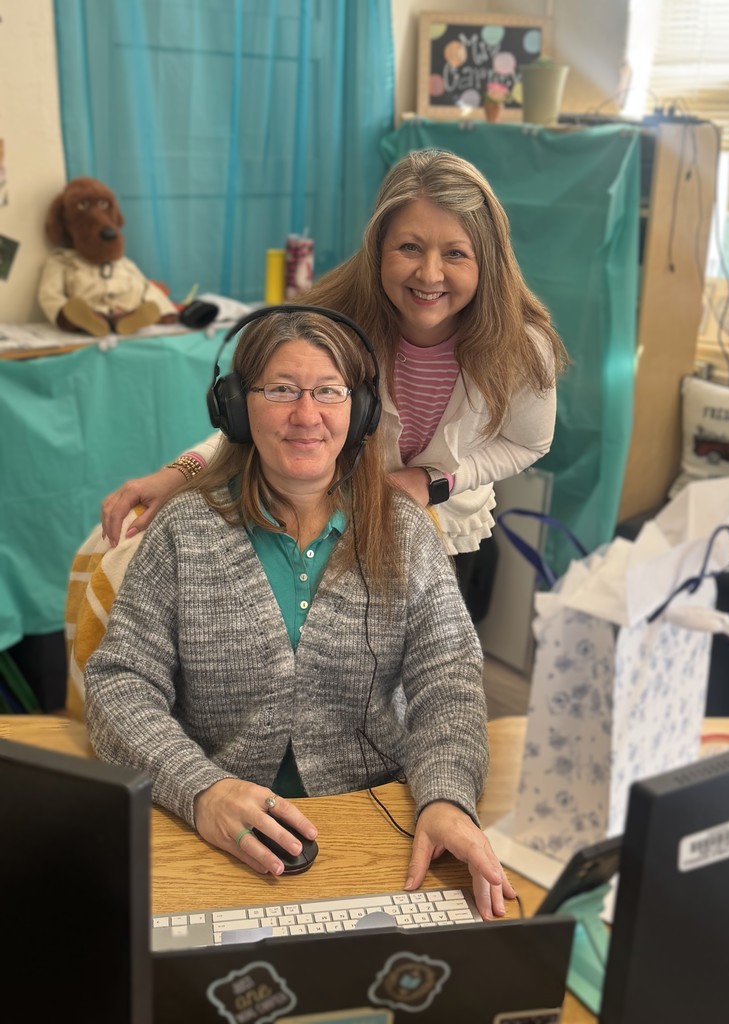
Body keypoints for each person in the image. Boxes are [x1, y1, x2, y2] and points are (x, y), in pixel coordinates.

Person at [84, 307, 515, 919]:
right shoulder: (185, 530)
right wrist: (199, 789)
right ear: (235, 407)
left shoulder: (405, 532)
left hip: (377, 823)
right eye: (281, 390)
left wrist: (445, 797)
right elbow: (118, 685)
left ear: (359, 410)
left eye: (329, 392)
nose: (306, 415)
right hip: (212, 832)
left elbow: (448, 681)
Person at [101, 148, 568, 599]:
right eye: (409, 247)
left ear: (488, 261)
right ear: (377, 248)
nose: (429, 275)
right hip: (332, 519)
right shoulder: (331, 317)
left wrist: (433, 481)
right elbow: (270, 417)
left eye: (455, 254)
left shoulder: (523, 345)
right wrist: (182, 471)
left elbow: (528, 443)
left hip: (447, 526)